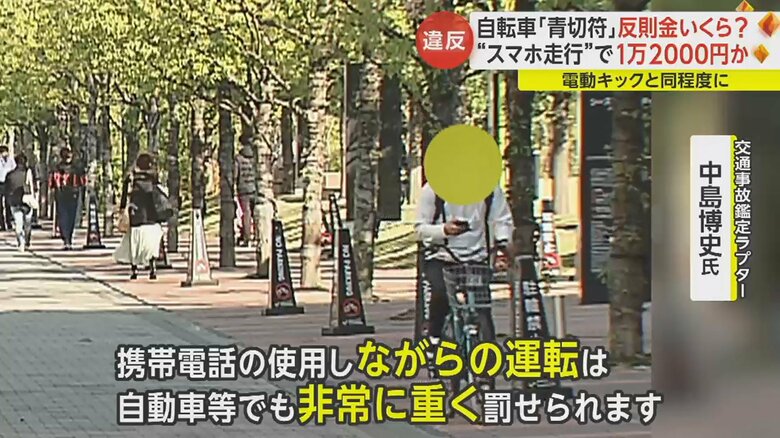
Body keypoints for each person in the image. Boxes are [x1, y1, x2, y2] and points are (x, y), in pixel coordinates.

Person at [414, 183, 514, 347]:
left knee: (481, 306)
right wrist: (444, 230)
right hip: (441, 256)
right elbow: (419, 229)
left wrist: (502, 242)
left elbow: (502, 220)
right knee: (441, 295)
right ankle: (434, 338)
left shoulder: (490, 188)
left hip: (477, 258)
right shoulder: (433, 189)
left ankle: (486, 347)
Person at [113, 153, 165, 280]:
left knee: (134, 244)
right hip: (151, 216)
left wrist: (122, 209)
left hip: (135, 215)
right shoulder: (153, 178)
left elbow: (124, 196)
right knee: (151, 244)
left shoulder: (131, 178)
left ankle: (134, 269)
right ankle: (152, 267)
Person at [49, 147, 86, 249]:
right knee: (70, 217)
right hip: (72, 194)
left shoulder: (57, 168)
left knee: (64, 217)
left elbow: (52, 182)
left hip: (62, 194)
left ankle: (66, 238)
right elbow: (82, 182)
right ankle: (68, 238)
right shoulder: (76, 168)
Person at [4, 154, 36, 250]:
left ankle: (21, 242)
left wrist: (8, 199)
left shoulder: (10, 175)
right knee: (27, 223)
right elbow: (33, 187)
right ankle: (27, 240)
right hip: (27, 201)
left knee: (18, 223)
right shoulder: (28, 173)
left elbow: (6, 189)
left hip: (14, 202)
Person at [234, 145, 256, 247]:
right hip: (254, 189)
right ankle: (256, 236)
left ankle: (247, 238)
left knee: (246, 213)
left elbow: (235, 175)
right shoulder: (254, 158)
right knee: (254, 214)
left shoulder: (238, 159)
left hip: (243, 189)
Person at [0, 146, 16, 231]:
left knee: (8, 203)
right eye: (3, 152)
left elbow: (14, 169)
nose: (5, 154)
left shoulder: (11, 160)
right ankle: (1, 224)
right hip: (0, 183)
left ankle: (9, 222)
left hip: (8, 183)